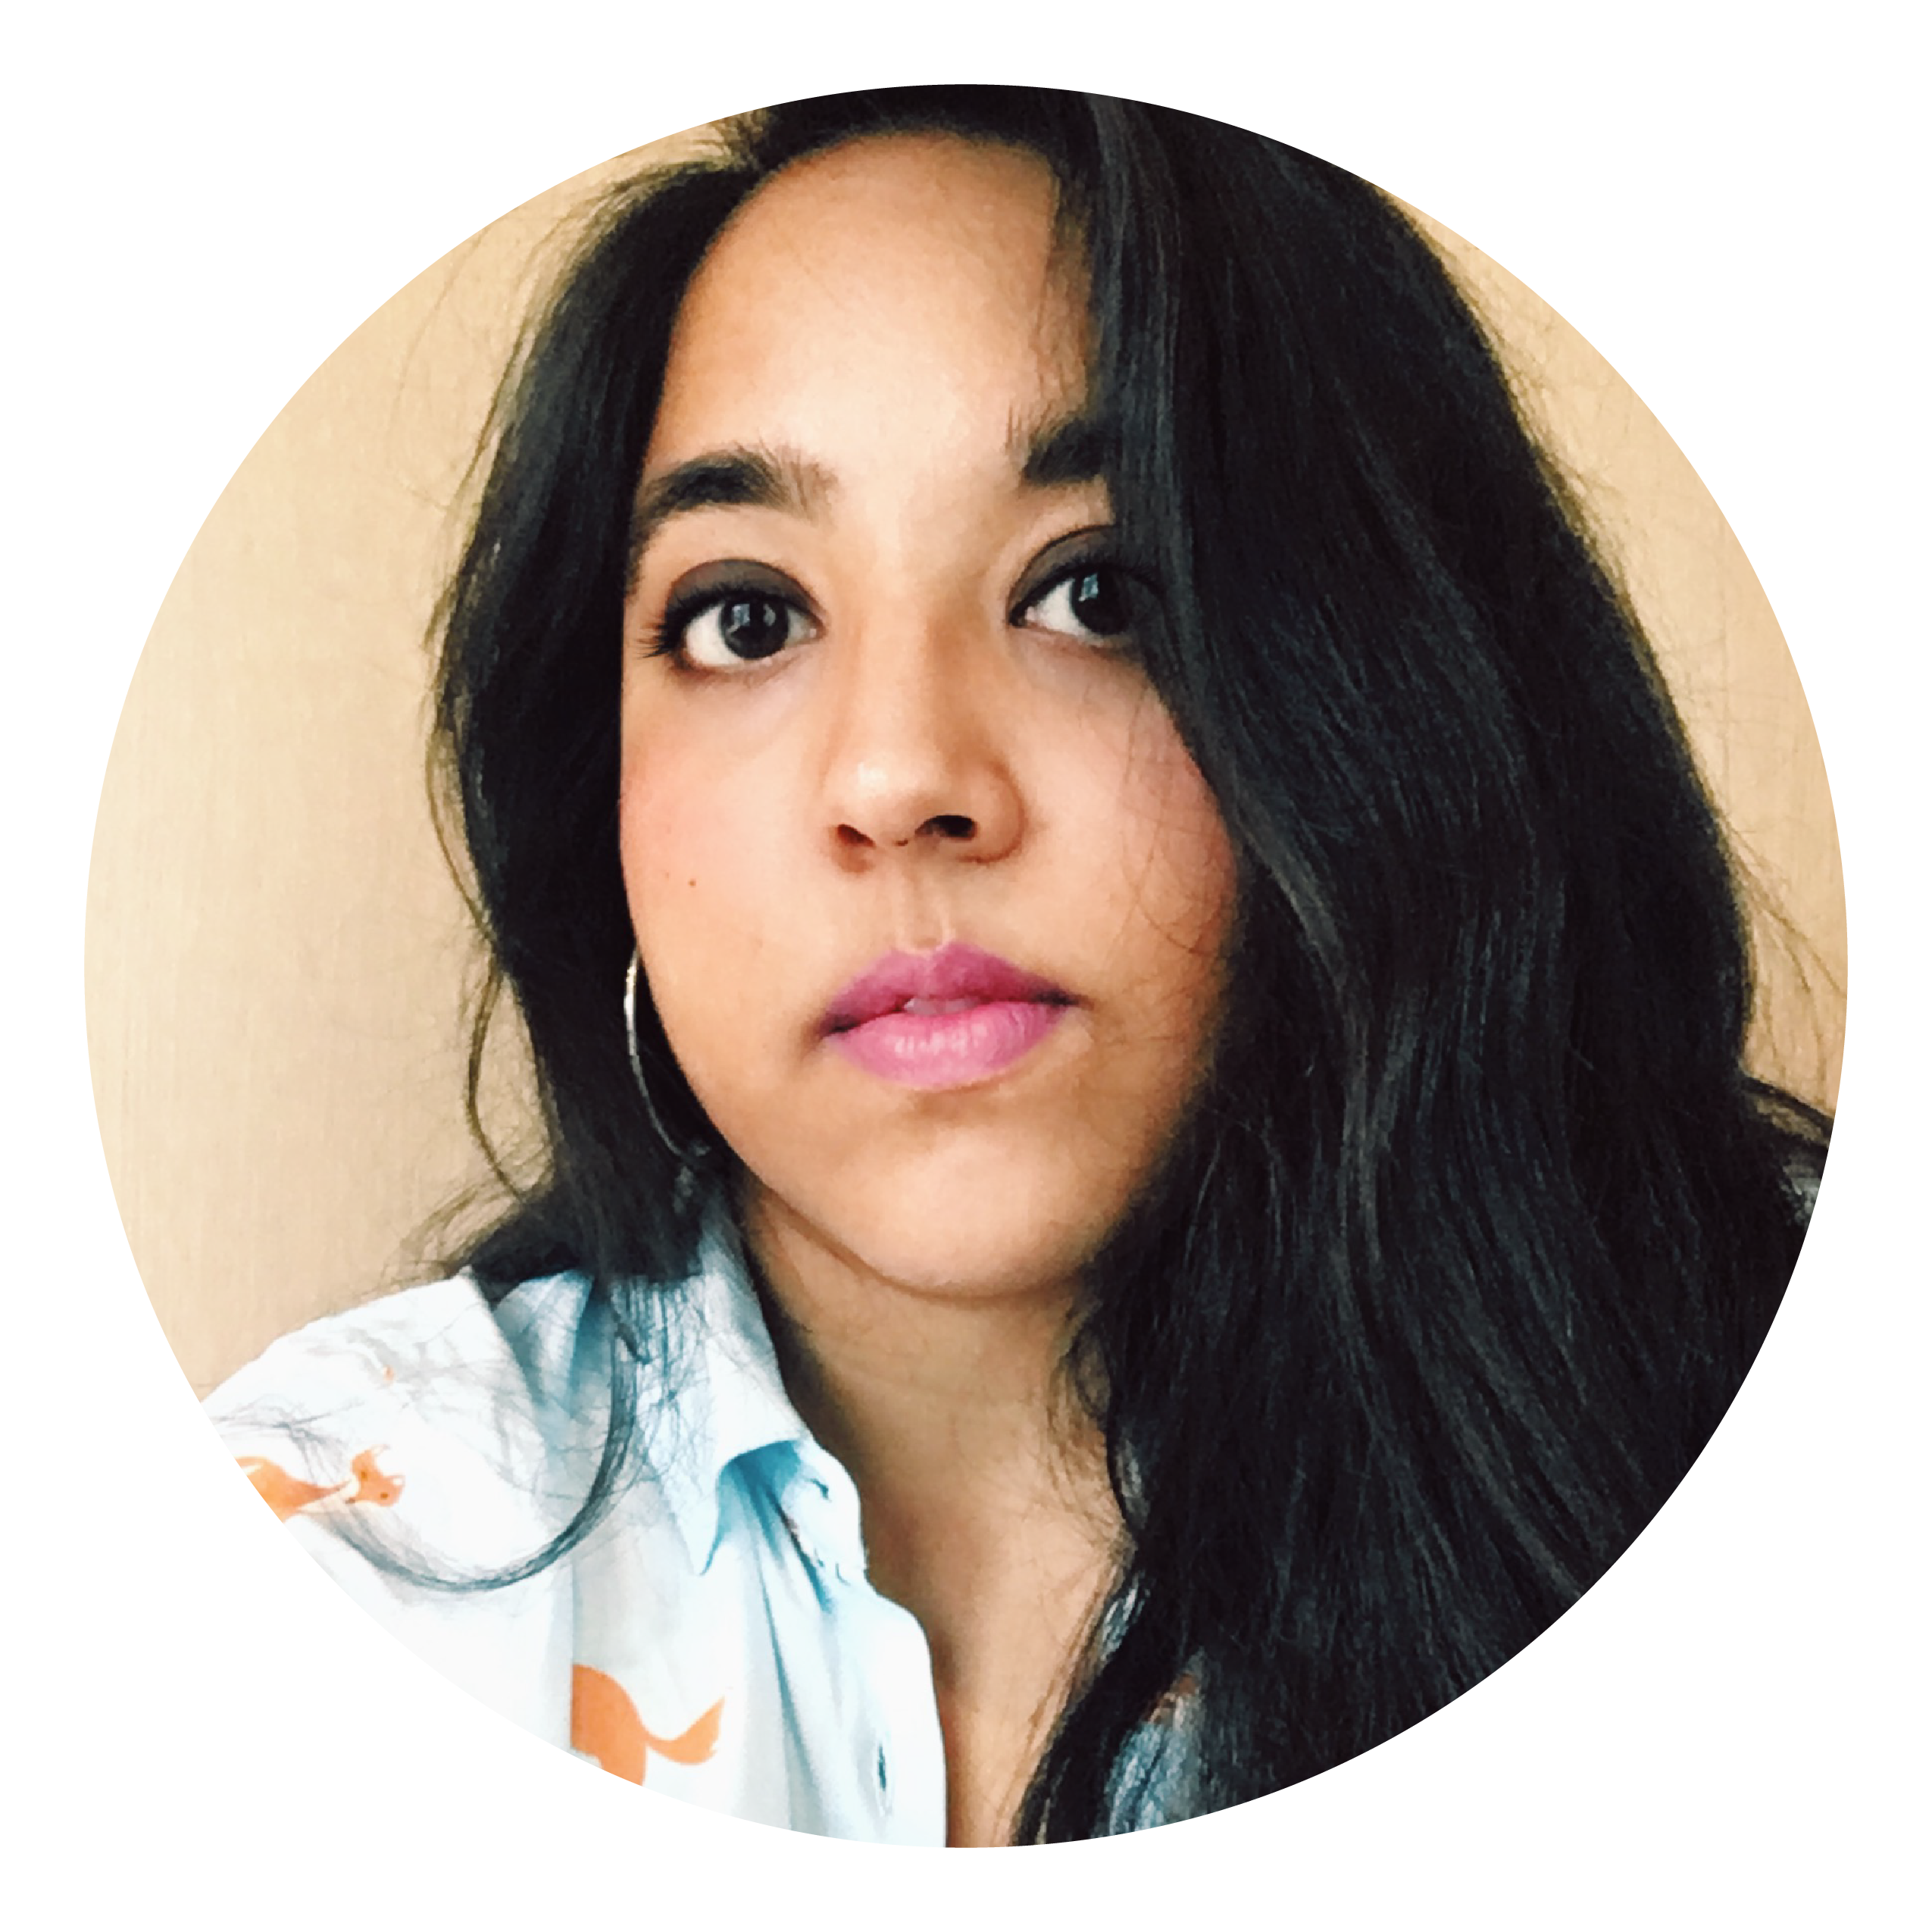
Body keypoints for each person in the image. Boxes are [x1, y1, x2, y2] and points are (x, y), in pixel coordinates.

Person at [202, 87, 1840, 1847]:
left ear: (1389, 695)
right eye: (745, 616)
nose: (903, 779)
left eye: (1098, 594)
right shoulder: (330, 1553)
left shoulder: (1804, 1482)